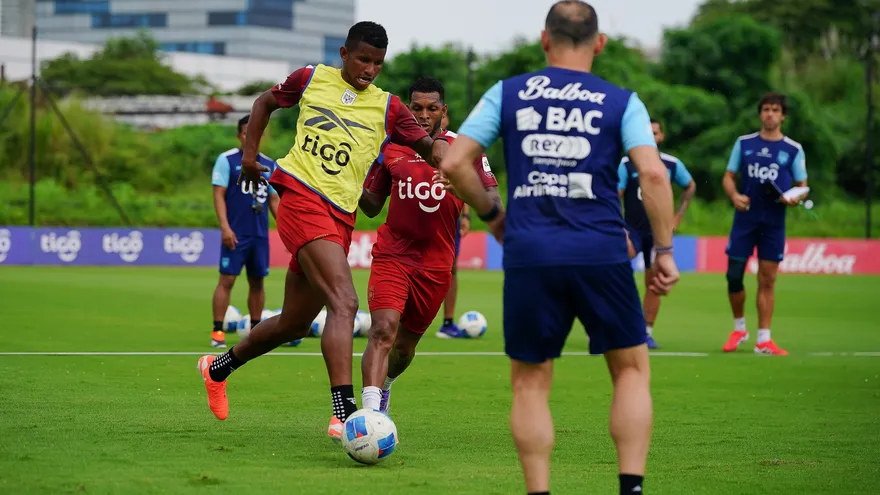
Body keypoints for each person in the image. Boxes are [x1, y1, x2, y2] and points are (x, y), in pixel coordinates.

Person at [438, 2, 680, 494]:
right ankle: (630, 488)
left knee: (531, 381)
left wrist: (494, 217)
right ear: (600, 43)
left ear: (545, 40)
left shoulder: (506, 93)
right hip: (603, 253)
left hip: (530, 253)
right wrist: (666, 250)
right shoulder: (621, 101)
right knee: (631, 371)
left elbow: (457, 162)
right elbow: (654, 174)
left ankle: (539, 491)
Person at [196, 21, 450, 443]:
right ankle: (345, 413)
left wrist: (444, 161)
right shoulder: (311, 78)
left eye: (378, 64)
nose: (370, 69)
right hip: (299, 195)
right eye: (363, 59)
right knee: (345, 301)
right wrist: (249, 156)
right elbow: (263, 103)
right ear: (345, 54)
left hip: (340, 216)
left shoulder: (388, 107)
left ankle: (217, 368)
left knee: (294, 324)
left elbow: (431, 144)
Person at [357, 77, 500, 413]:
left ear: (443, 111)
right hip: (393, 255)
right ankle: (368, 412)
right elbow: (372, 205)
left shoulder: (466, 150)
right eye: (416, 107)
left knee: (404, 349)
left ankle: (386, 386)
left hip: (435, 265)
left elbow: (492, 197)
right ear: (407, 109)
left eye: (431, 108)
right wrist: (349, 182)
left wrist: (462, 188)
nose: (423, 115)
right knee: (382, 330)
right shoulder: (391, 147)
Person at [721, 92, 808, 356]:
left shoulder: (793, 149)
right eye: (766, 109)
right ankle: (739, 329)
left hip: (773, 223)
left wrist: (793, 197)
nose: (770, 114)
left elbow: (802, 186)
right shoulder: (744, 144)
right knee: (734, 275)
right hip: (745, 220)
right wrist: (735, 195)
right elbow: (728, 176)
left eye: (775, 110)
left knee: (767, 280)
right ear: (760, 114)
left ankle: (764, 339)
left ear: (783, 116)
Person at [618, 118, 696, 349]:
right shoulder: (627, 163)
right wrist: (616, 222)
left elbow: (690, 185)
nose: (651, 137)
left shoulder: (671, 164)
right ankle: (606, 324)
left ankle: (646, 332)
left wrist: (678, 216)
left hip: (658, 232)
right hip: (631, 229)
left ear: (661, 137)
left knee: (654, 281)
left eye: (655, 133)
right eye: (647, 132)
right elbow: (615, 193)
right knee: (612, 270)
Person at [210, 115, 279, 349]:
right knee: (227, 279)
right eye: (247, 132)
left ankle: (256, 332)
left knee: (257, 282)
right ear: (240, 135)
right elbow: (218, 194)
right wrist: (225, 226)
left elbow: (274, 200)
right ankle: (218, 331)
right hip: (235, 232)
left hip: (259, 234)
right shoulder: (227, 160)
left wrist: (287, 228)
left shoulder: (269, 164)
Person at [436, 111, 473, 339]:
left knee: (451, 269)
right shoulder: (412, 142)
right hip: (418, 213)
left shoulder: (457, 145)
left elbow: (466, 180)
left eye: (436, 111)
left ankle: (448, 322)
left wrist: (466, 216)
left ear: (446, 116)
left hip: (450, 218)